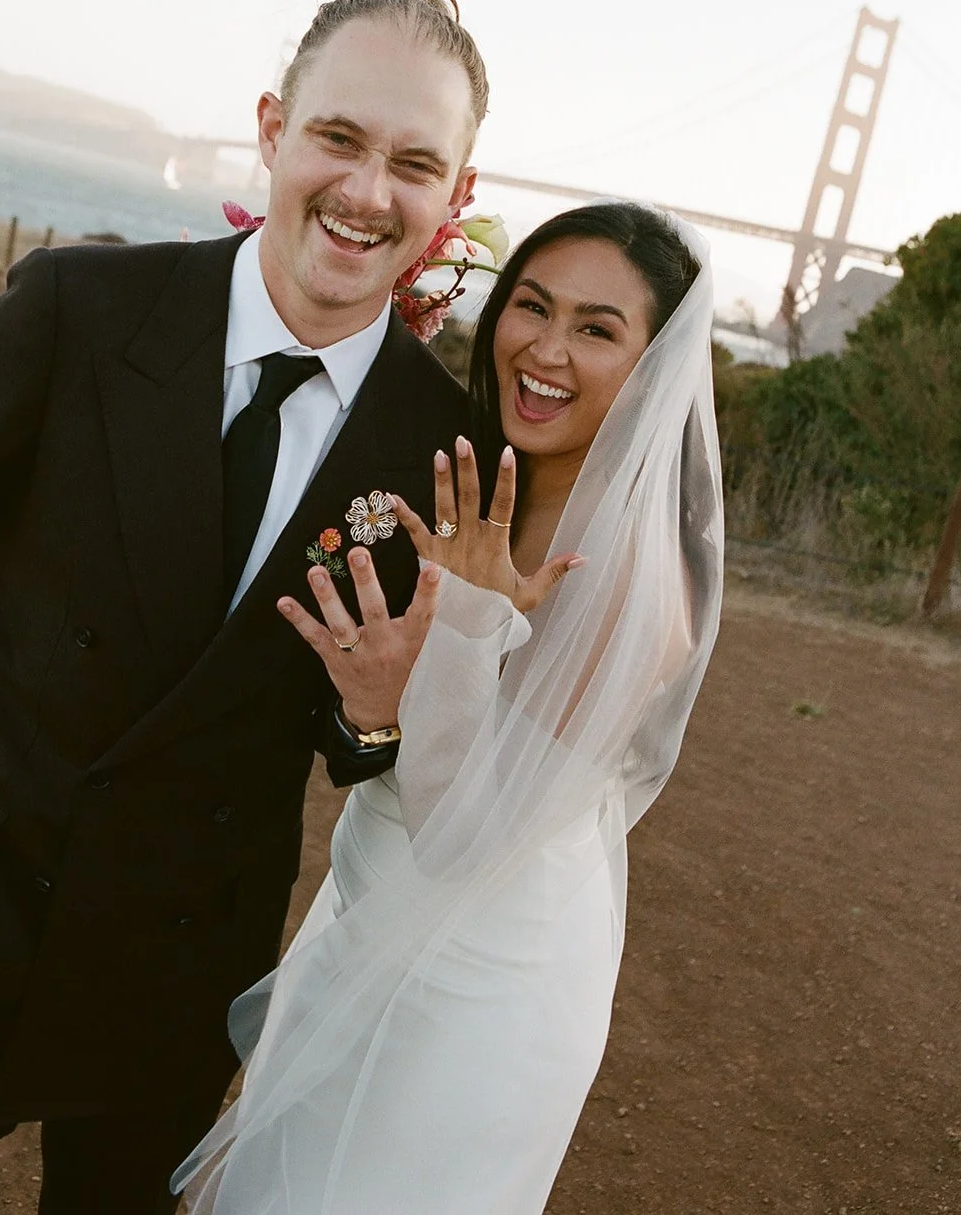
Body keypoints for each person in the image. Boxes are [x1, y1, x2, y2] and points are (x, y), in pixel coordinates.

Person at [0, 0, 489, 1213]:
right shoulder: (78, 309)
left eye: (413, 163)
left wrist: (369, 718)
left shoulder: (437, 451)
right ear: (271, 127)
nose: (365, 193)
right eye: (339, 138)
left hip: (177, 965)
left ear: (453, 197)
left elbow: (363, 748)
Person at [174, 202, 725, 1215]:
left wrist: (453, 640)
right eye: (531, 306)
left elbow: (469, 837)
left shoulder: (633, 587)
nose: (545, 349)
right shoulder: (470, 477)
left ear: (653, 364)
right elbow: (398, 746)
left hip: (480, 982)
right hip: (371, 911)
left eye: (597, 329)